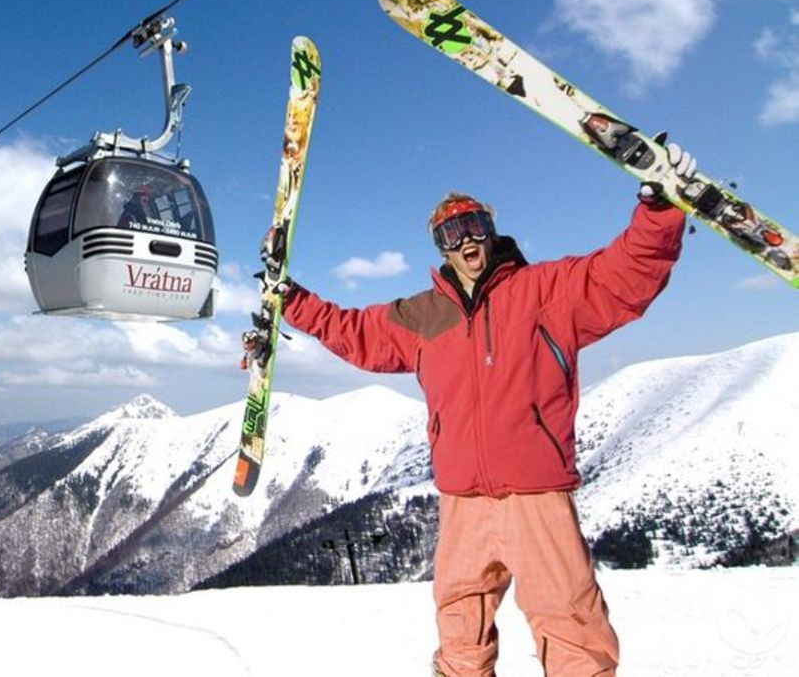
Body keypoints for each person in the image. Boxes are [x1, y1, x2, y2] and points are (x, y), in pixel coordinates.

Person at [272, 144, 697, 677]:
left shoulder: (544, 292)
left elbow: (624, 276)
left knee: (569, 622)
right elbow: (353, 331)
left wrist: (659, 210)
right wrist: (290, 298)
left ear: (491, 229)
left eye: (474, 225)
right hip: (462, 500)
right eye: (452, 233)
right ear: (439, 247)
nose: (467, 239)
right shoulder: (422, 316)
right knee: (459, 625)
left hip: (535, 493)